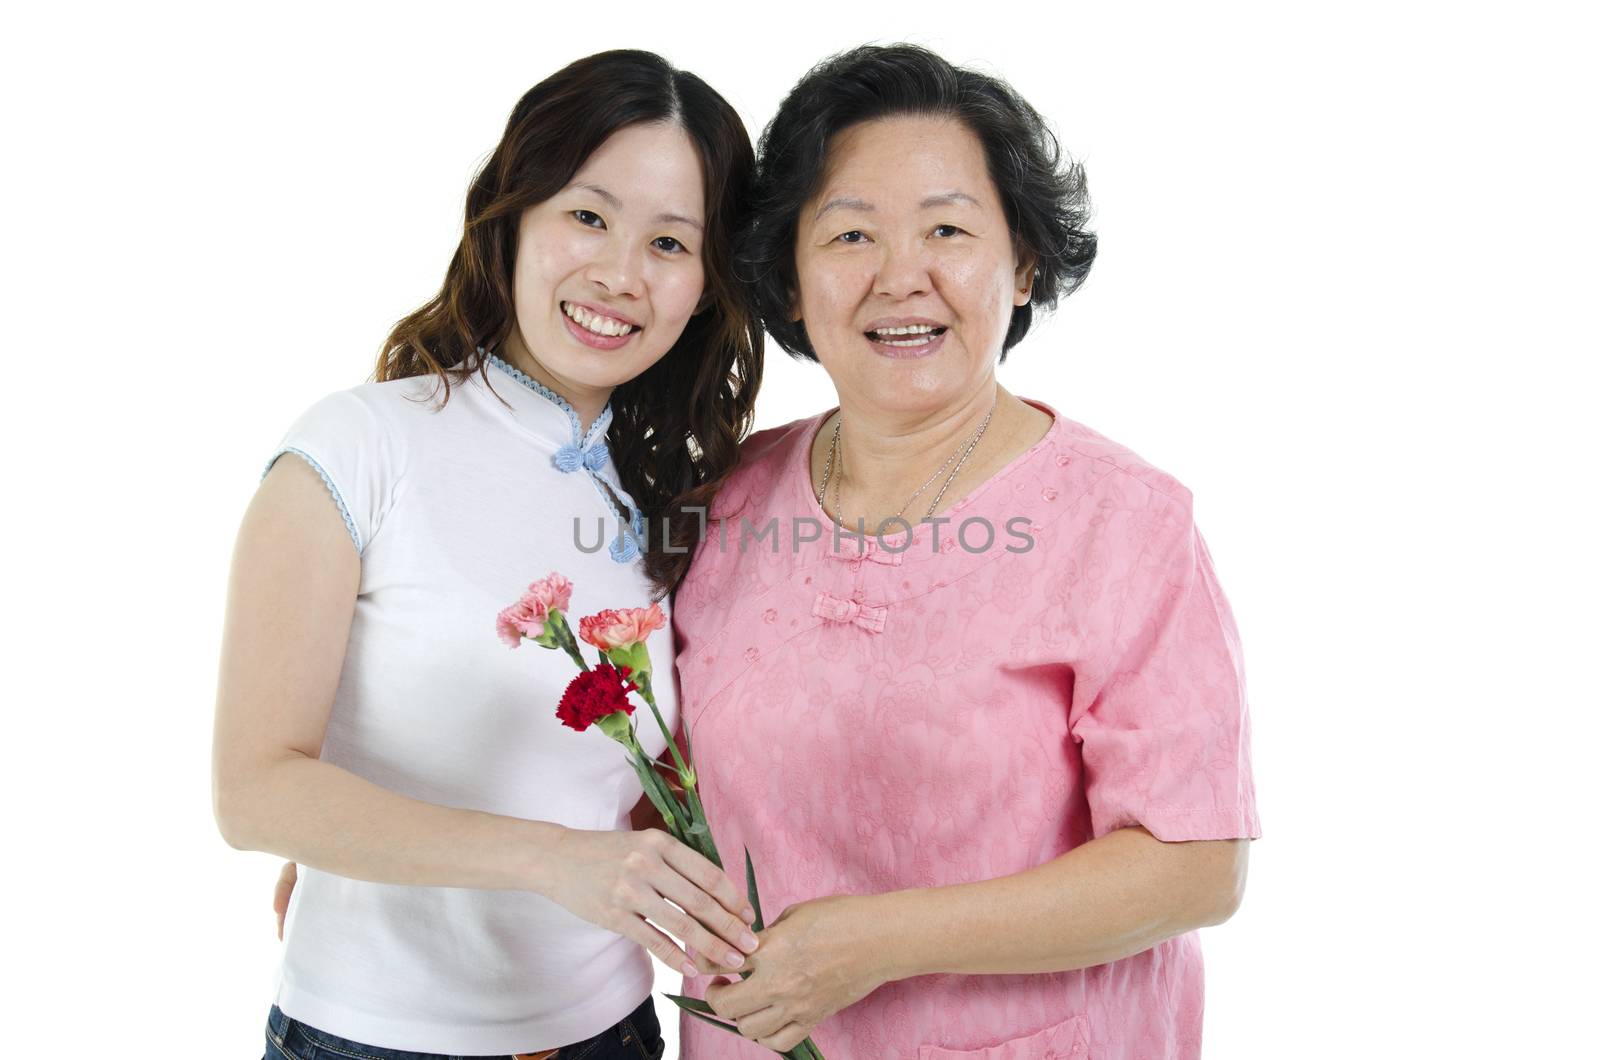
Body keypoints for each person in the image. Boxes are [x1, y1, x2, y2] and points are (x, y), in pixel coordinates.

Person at [671, 44, 1261, 1058]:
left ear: (1022, 262)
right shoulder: (723, 502)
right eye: (850, 234)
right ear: (792, 281)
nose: (903, 276)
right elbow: (636, 783)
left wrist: (873, 943)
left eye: (947, 228)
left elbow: (1194, 861)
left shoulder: (1123, 524)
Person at [212, 50, 767, 1060]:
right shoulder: (359, 446)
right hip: (373, 1038)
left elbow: (627, 781)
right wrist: (552, 860)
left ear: (706, 281)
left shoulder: (662, 500)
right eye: (587, 216)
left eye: (671, 242)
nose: (619, 274)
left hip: (613, 1031)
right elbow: (254, 791)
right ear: (511, 216)